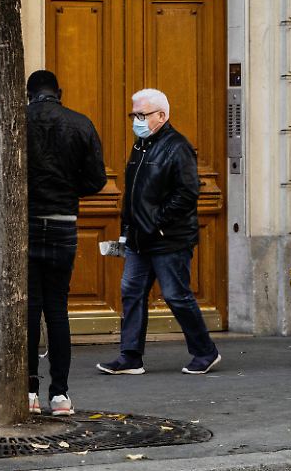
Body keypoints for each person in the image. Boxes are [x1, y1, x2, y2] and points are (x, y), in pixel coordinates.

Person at [98, 88, 221, 376]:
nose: (136, 120)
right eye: (134, 115)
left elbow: (187, 193)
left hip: (168, 239)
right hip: (140, 239)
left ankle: (205, 351)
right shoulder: (141, 146)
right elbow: (133, 194)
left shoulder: (177, 147)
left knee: (176, 295)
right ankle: (130, 357)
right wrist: (127, 231)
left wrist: (157, 223)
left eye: (142, 115)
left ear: (162, 116)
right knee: (132, 291)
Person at [24, 71, 107, 416]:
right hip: (62, 224)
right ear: (59, 92)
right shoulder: (80, 123)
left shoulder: (18, 122)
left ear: (29, 94)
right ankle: (60, 394)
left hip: (25, 226)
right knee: (57, 309)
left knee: (28, 310)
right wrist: (69, 190)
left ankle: (28, 391)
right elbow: (97, 179)